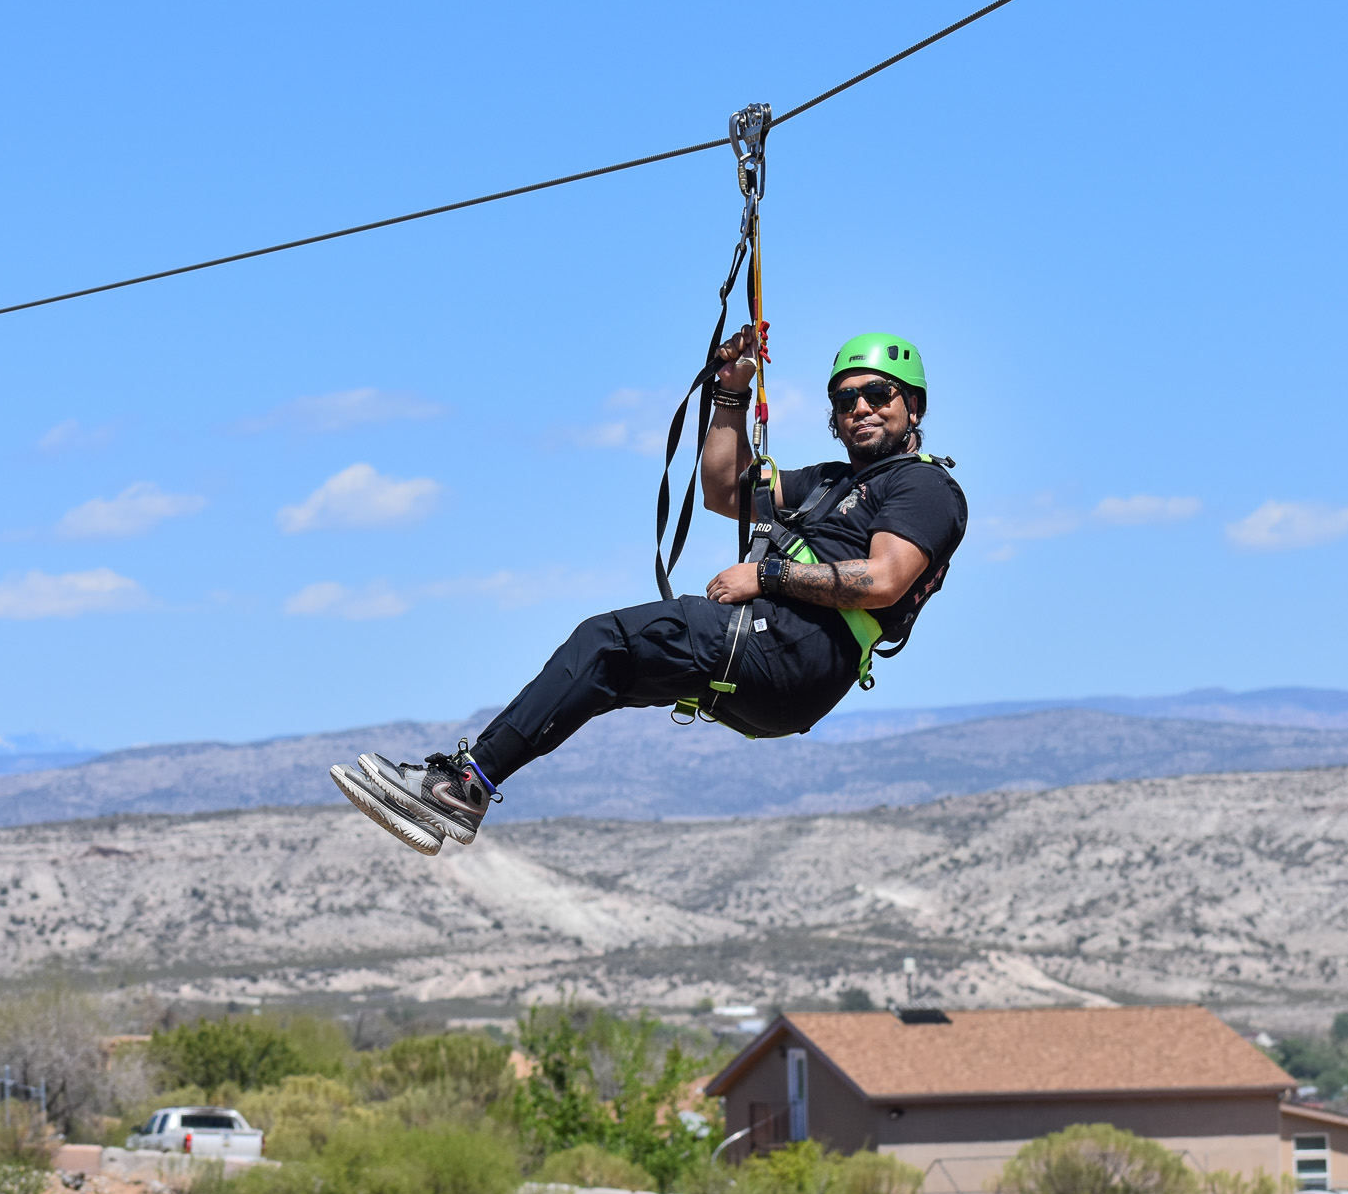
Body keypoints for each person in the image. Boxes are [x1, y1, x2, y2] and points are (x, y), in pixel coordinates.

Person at [329, 328, 968, 855]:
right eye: (845, 398)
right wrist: (729, 394)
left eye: (878, 394)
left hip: (794, 652)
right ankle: (467, 790)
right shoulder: (830, 482)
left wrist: (767, 576)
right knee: (600, 672)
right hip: (778, 674)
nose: (860, 408)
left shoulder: (922, 487)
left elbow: (885, 581)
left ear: (913, 406)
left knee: (603, 639)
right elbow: (724, 492)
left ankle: (463, 787)